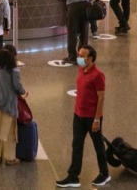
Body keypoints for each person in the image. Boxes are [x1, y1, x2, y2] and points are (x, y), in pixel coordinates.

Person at [56, 45, 110, 188]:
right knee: (77, 144)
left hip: (92, 117)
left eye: (82, 55)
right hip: (78, 114)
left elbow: (101, 97)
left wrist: (97, 119)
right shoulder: (81, 70)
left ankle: (104, 173)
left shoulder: (98, 75)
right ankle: (73, 176)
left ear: (90, 59)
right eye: (79, 54)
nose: (79, 57)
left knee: (98, 145)